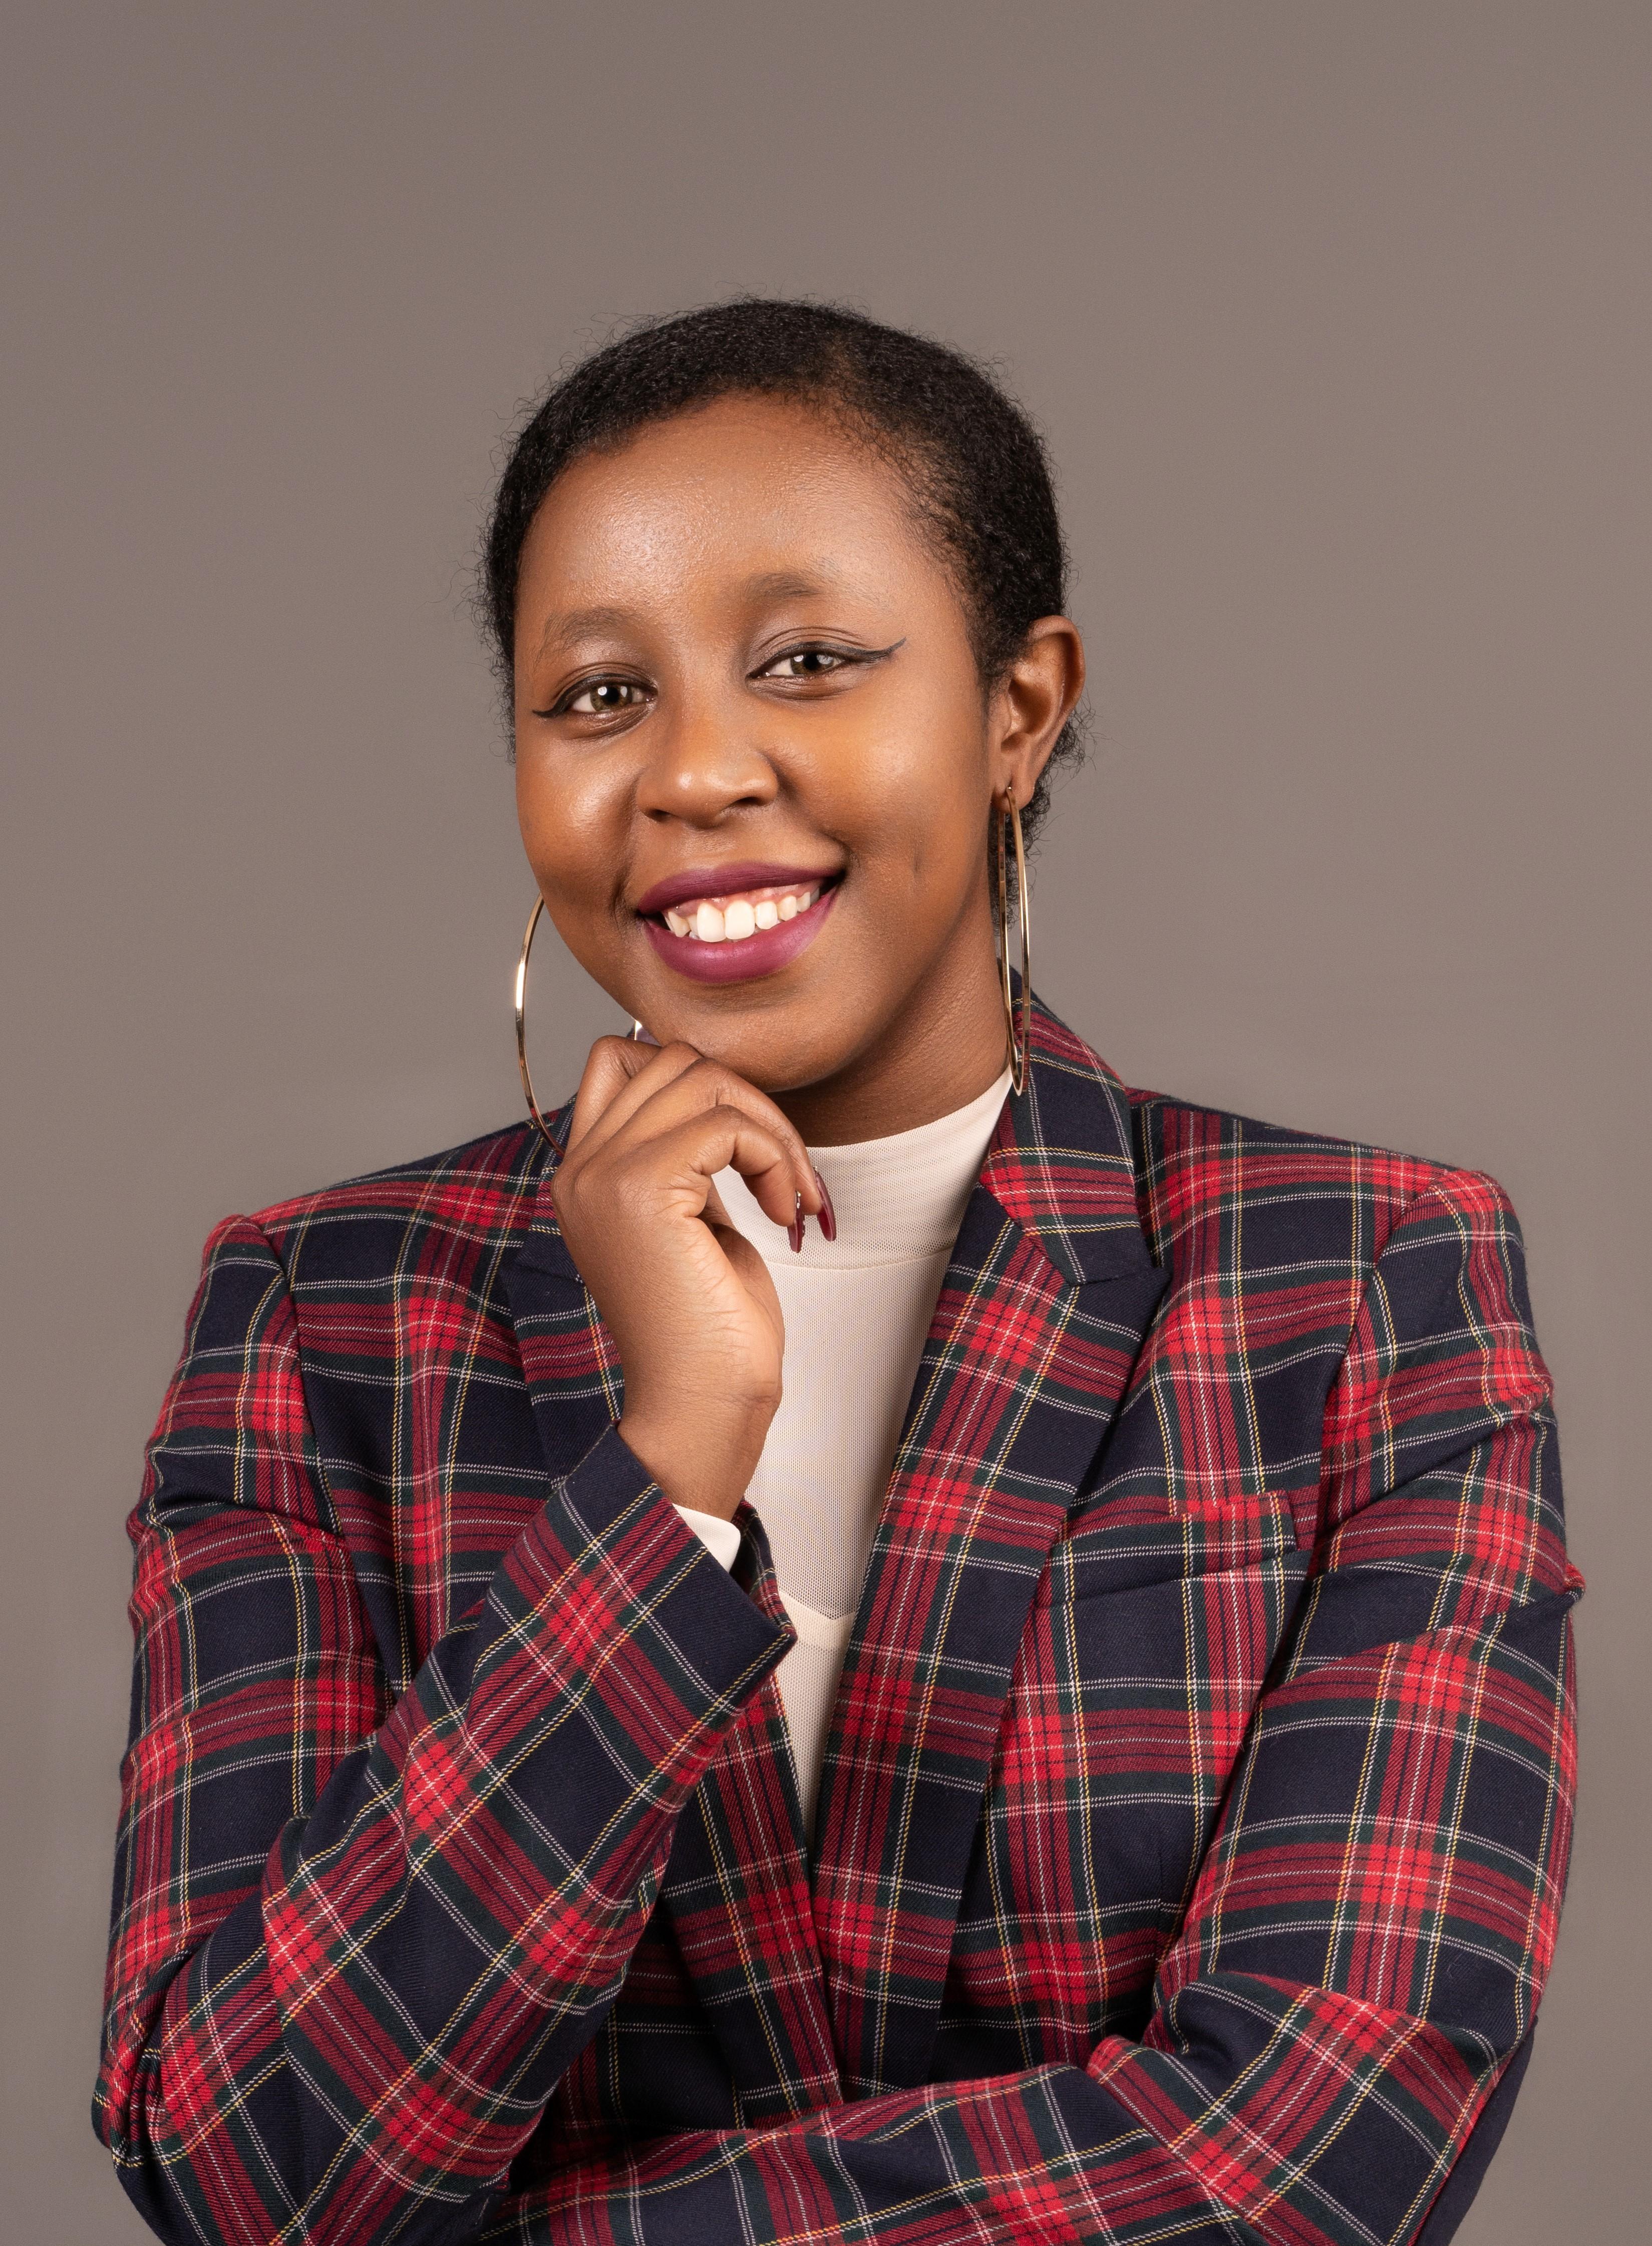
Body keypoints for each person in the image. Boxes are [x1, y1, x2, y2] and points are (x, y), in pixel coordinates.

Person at [94, 300, 1580, 2246]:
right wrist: (665, 1470)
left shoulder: (1361, 1280)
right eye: (599, 696)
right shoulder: (327, 1319)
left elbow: (1311, 2147)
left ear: (1018, 707)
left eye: (806, 660)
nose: (696, 772)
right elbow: (247, 2164)